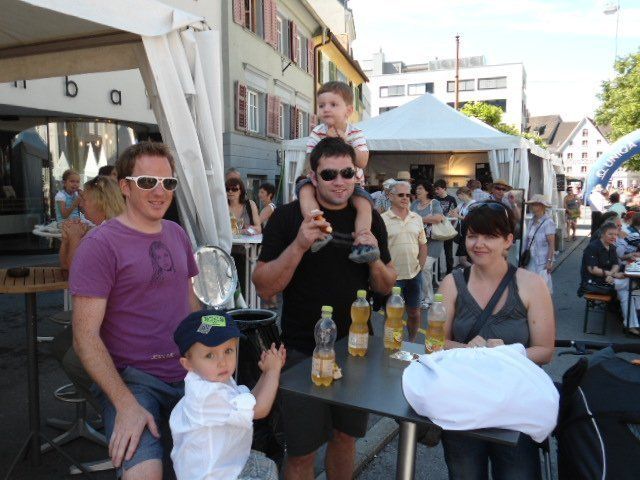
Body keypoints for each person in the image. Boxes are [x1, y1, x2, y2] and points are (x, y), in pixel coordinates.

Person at [252, 137, 396, 480]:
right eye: (329, 174)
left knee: (345, 439)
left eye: (347, 173)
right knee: (301, 451)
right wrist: (300, 244)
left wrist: (374, 260)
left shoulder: (369, 218)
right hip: (302, 350)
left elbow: (386, 284)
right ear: (313, 178)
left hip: (355, 350)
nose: (339, 181)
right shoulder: (288, 217)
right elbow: (264, 285)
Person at [70, 142, 201, 480]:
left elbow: (190, 305)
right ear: (125, 187)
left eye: (168, 183)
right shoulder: (100, 245)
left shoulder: (177, 234)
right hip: (134, 381)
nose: (159, 192)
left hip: (187, 374)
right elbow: (84, 337)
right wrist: (125, 404)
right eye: (147, 182)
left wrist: (209, 359)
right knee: (144, 473)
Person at [438, 200, 555, 479]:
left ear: (508, 241)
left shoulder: (531, 284)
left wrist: (509, 352)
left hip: (515, 406)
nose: (479, 244)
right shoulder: (452, 283)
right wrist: (468, 350)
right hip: (462, 405)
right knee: (464, 474)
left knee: (518, 473)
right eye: (472, 235)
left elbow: (544, 350)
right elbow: (435, 343)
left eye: (490, 236)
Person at [170, 310, 285, 480]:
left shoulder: (213, 378)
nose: (222, 362)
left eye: (228, 350)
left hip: (225, 463)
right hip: (212, 475)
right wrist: (273, 371)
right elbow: (260, 409)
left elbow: (250, 400)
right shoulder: (207, 396)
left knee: (266, 466)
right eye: (210, 355)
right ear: (188, 364)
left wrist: (266, 372)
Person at [53, 175, 126, 410]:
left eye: (85, 198)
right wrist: (68, 239)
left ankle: (116, 408)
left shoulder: (108, 233)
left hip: (115, 322)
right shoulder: (97, 229)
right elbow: (66, 266)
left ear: (101, 201)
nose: (81, 202)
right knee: (59, 344)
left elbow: (75, 272)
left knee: (72, 360)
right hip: (102, 317)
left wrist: (74, 237)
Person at [298, 81, 378, 263]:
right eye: (321, 105)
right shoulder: (317, 133)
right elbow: (311, 162)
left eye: (333, 104)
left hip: (352, 183)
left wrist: (344, 142)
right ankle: (319, 229)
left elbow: (362, 161)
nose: (326, 109)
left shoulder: (355, 133)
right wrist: (325, 143)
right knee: (304, 190)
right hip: (322, 182)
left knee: (364, 204)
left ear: (348, 111)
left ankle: (363, 241)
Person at [382, 181, 428, 341]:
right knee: (392, 315)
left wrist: (420, 267)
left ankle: (411, 343)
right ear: (390, 196)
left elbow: (423, 245)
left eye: (408, 195)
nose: (405, 198)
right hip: (392, 276)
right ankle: (391, 345)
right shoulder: (382, 220)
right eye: (401, 195)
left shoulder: (417, 218)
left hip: (414, 275)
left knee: (415, 313)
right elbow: (379, 249)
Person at [581, 221, 640, 335]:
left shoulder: (611, 246)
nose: (614, 237)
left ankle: (630, 326)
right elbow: (592, 270)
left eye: (616, 234)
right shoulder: (593, 247)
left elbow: (616, 264)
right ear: (603, 234)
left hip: (608, 280)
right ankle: (631, 323)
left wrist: (611, 274)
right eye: (610, 234)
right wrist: (612, 274)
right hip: (593, 282)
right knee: (632, 284)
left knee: (625, 293)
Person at [411, 179, 445, 308]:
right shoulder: (414, 204)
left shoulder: (434, 203)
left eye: (420, 188)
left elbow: (438, 218)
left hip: (433, 242)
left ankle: (428, 298)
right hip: (417, 242)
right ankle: (421, 296)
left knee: (425, 267)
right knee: (418, 270)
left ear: (426, 191)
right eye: (417, 188)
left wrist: (419, 219)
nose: (417, 191)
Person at [523, 195, 556, 293]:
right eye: (531, 204)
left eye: (534, 204)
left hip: (542, 262)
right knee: (530, 288)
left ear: (542, 206)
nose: (532, 207)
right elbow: (528, 240)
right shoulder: (531, 221)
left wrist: (549, 262)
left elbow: (551, 244)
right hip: (530, 260)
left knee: (542, 289)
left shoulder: (548, 222)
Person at [434, 179, 457, 275]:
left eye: (438, 189)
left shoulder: (451, 199)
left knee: (448, 252)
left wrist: (452, 226)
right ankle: (437, 274)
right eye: (435, 189)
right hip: (437, 228)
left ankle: (449, 273)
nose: (436, 191)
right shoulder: (434, 199)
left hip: (447, 228)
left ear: (444, 188)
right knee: (436, 252)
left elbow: (454, 214)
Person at [450, 186, 475, 268]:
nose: (458, 198)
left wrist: (457, 216)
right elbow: (454, 212)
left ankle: (477, 271)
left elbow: (471, 219)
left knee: (463, 260)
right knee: (464, 259)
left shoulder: (473, 204)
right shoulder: (462, 204)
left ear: (463, 194)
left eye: (458, 195)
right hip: (463, 233)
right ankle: (474, 271)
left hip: (470, 233)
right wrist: (453, 212)